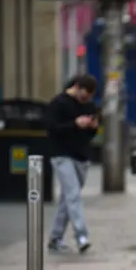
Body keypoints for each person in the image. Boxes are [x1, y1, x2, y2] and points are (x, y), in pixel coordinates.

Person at [44, 74, 99, 253]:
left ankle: (55, 237)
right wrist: (75, 124)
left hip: (81, 156)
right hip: (61, 154)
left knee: (67, 198)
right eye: (84, 96)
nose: (85, 100)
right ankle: (81, 236)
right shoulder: (59, 103)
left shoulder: (89, 106)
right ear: (76, 87)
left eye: (88, 97)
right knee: (73, 194)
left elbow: (91, 134)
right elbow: (52, 128)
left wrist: (92, 127)